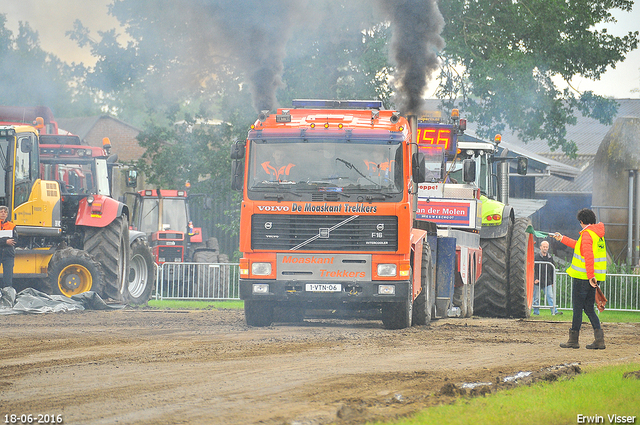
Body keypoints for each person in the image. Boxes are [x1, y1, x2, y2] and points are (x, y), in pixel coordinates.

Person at [554, 208, 606, 349]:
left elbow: (588, 256)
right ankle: (599, 340)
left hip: (584, 277)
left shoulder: (587, 234)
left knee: (577, 308)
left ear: (582, 222)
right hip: (595, 276)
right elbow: (579, 246)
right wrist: (562, 238)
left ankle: (573, 340)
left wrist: (590, 276)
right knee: (589, 308)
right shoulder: (597, 234)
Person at [532, 240, 561, 315]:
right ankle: (536, 312)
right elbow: (532, 268)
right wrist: (534, 279)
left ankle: (554, 312)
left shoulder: (550, 257)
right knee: (536, 298)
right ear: (540, 247)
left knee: (550, 297)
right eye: (544, 247)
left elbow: (552, 270)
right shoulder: (536, 257)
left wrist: (552, 281)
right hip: (537, 281)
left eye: (546, 247)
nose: (545, 248)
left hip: (547, 281)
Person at [0, 205, 17, 288]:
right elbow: (9, 241)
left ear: (7, 215)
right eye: (1, 212)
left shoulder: (12, 226)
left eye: (5, 212)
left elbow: (15, 240)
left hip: (8, 255)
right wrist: (5, 241)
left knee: (8, 278)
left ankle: (7, 296)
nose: (3, 213)